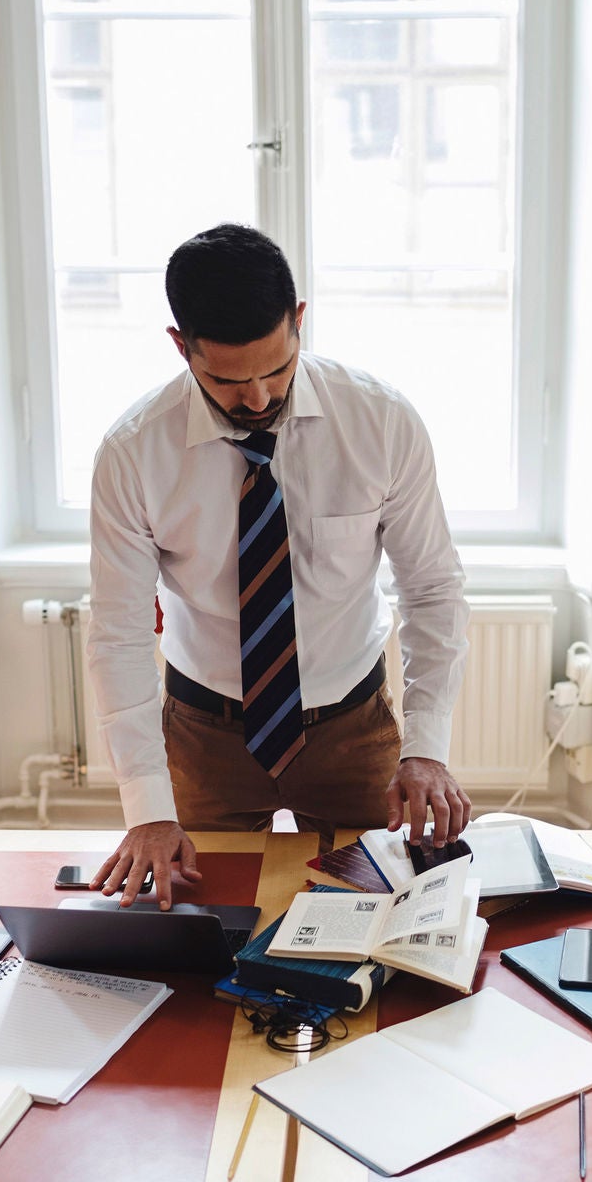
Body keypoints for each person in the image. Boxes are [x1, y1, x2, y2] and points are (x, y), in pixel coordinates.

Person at [85, 223, 471, 906]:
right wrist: (147, 806)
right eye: (229, 381)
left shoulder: (381, 423)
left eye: (277, 369)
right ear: (181, 346)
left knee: (383, 920)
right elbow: (116, 632)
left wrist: (428, 746)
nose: (258, 398)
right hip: (205, 737)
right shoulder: (133, 453)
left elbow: (432, 588)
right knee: (201, 933)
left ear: (298, 321)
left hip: (353, 729)